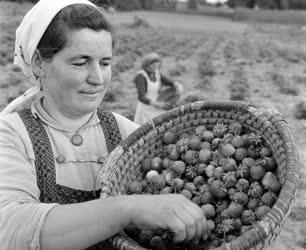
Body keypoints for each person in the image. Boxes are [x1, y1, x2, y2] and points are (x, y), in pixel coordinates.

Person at [0, 0, 208, 249]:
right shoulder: (13, 135)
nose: (97, 78)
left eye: (105, 63)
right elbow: (10, 228)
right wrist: (128, 208)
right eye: (80, 62)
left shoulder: (126, 133)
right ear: (37, 63)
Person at [134, 52, 183, 125]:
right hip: (146, 107)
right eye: (154, 66)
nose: (156, 68)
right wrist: (156, 104)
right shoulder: (140, 76)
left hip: (157, 103)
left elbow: (168, 81)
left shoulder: (156, 73)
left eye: (157, 66)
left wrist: (177, 85)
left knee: (159, 126)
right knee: (145, 128)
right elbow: (141, 97)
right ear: (147, 65)